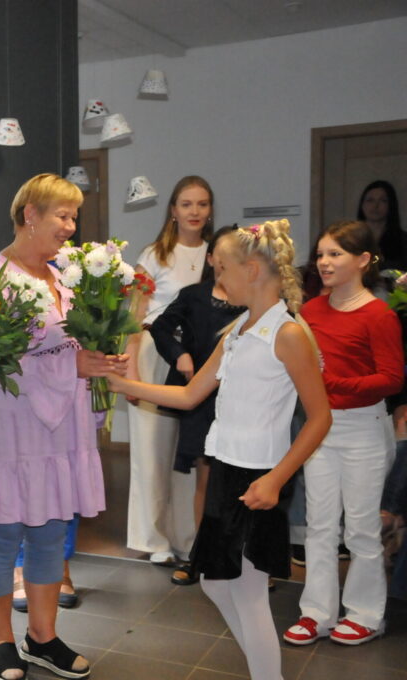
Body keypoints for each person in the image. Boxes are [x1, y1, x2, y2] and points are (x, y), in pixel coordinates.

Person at [109, 220, 332, 680]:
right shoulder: (238, 331)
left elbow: (319, 418)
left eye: (223, 268)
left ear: (252, 270)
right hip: (226, 470)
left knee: (248, 595)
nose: (217, 278)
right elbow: (191, 393)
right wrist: (122, 383)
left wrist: (275, 480)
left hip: (258, 477)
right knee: (215, 582)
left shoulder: (287, 334)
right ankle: (263, 670)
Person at [0, 173, 124, 680]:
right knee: (2, 536)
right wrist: (71, 365)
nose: (71, 226)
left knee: (51, 535)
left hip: (59, 428)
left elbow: (68, 345)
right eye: (62, 215)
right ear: (29, 214)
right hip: (9, 428)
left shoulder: (65, 277)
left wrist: (97, 359)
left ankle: (43, 636)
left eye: (74, 217)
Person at [284, 220, 403, 647]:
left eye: (335, 254)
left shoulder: (379, 314)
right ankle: (317, 612)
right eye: (321, 254)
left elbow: (391, 378)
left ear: (363, 260)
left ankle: (367, 615)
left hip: (363, 430)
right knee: (318, 526)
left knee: (361, 529)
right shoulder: (311, 311)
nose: (324, 262)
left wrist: (333, 385)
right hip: (320, 429)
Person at [123, 176, 215, 568]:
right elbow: (135, 314)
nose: (195, 211)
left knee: (189, 452)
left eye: (202, 204)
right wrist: (130, 368)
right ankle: (152, 537)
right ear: (173, 210)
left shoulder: (216, 254)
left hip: (197, 359)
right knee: (152, 450)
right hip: (153, 353)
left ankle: (187, 537)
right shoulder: (154, 255)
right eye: (187, 204)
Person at [148, 225, 245, 585]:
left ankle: (245, 561)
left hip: (242, 401)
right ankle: (201, 556)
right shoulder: (193, 296)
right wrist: (179, 354)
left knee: (241, 482)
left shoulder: (254, 300)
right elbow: (160, 327)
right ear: (211, 258)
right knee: (206, 478)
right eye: (221, 256)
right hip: (202, 400)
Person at [357, 180, 405, 270]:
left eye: (383, 201)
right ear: (362, 205)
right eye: (370, 200)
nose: (376, 205)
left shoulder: (403, 240)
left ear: (391, 205)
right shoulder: (351, 239)